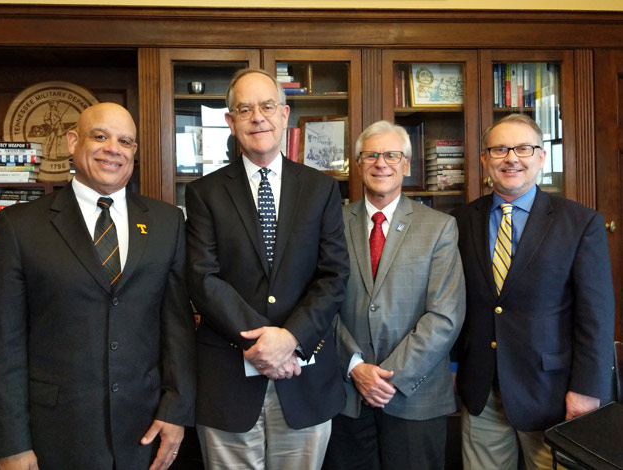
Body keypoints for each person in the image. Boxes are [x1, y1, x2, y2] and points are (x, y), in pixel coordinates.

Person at [0, 102, 196, 470]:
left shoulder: (167, 223)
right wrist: (11, 444)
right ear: (72, 141)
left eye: (126, 142)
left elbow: (176, 327)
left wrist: (176, 412)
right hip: (54, 436)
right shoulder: (21, 227)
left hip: (144, 434)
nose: (114, 148)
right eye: (100, 136)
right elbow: (4, 345)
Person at [185, 68, 349, 470]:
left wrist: (290, 338)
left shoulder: (321, 189)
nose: (257, 117)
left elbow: (334, 275)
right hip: (228, 381)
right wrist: (263, 346)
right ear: (230, 121)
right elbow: (202, 278)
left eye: (267, 106)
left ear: (284, 114)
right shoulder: (204, 193)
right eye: (244, 109)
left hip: (304, 376)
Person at [452, 113, 615, 470]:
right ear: (485, 159)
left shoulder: (580, 223)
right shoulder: (460, 221)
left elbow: (596, 317)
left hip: (553, 396)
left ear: (542, 157)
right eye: (499, 149)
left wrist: (588, 390)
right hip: (482, 393)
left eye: (524, 148)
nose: (512, 158)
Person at [323, 120, 466, 470]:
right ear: (358, 164)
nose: (381, 163)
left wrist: (389, 378)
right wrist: (356, 367)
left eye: (391, 155)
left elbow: (445, 316)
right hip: (345, 396)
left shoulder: (439, 227)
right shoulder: (331, 224)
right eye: (371, 155)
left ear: (407, 164)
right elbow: (320, 303)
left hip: (415, 397)